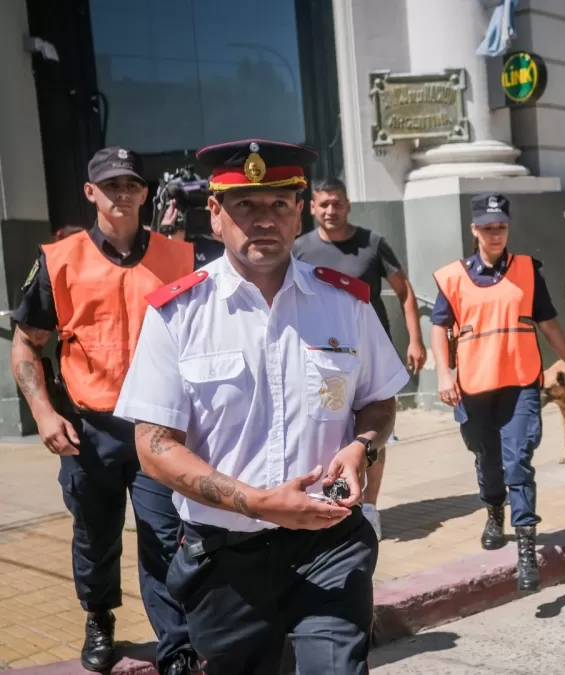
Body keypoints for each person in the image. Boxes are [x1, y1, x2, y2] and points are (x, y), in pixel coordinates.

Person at [113, 139, 409, 673]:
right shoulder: (177, 315)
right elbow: (154, 448)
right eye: (245, 205)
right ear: (216, 214)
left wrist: (363, 446)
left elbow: (379, 402)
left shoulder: (347, 305)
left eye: (278, 204)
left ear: (300, 214)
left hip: (330, 545)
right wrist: (255, 502)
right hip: (226, 559)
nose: (263, 220)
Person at [8, 148, 199, 674]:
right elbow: (26, 345)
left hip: (157, 426)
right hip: (88, 429)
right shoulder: (59, 259)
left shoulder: (178, 258)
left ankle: (176, 643)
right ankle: (99, 617)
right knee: (95, 536)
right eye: (110, 185)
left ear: (144, 193)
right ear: (90, 192)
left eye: (131, 185)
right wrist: (44, 414)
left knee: (166, 535)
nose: (122, 193)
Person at [430, 192, 565, 592]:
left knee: (518, 459)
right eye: (486, 227)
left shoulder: (526, 270)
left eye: (500, 226)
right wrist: (444, 375)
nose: (494, 234)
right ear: (474, 230)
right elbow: (438, 326)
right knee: (487, 457)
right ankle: (494, 510)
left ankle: (526, 547)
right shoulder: (453, 277)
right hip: (474, 386)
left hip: (520, 382)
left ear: (507, 228)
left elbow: (548, 322)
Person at [292, 176, 429, 539]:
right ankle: (333, 500)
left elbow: (405, 291)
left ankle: (368, 506)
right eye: (323, 204)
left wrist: (415, 339)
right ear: (312, 208)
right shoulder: (300, 249)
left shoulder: (372, 244)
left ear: (348, 204)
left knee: (372, 432)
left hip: (370, 356)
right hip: (322, 359)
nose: (330, 211)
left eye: (337, 203)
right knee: (331, 430)